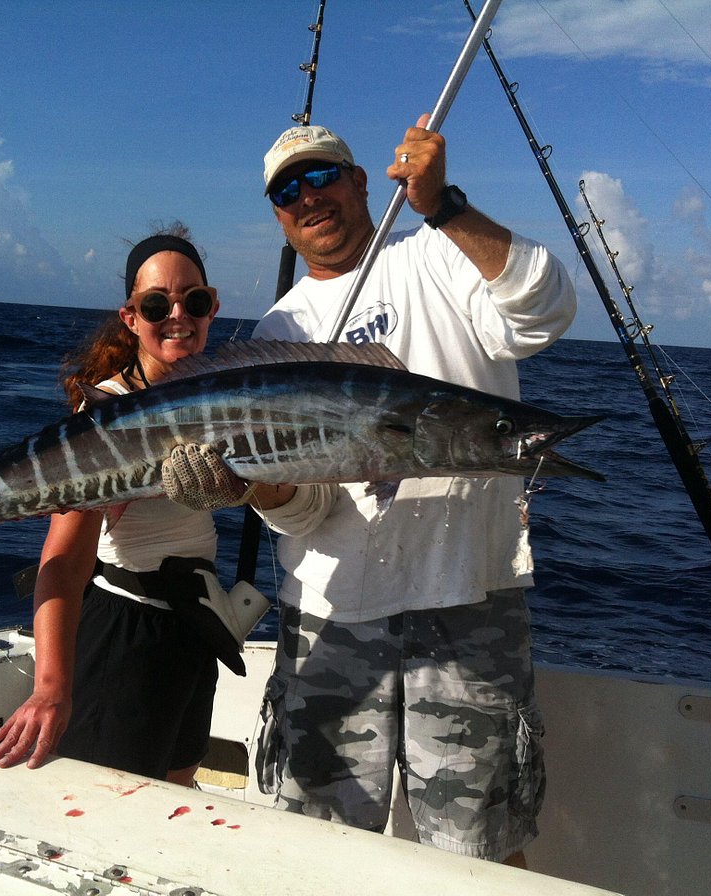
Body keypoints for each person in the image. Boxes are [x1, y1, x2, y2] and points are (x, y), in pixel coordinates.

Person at [164, 119, 576, 864]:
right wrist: (251, 490)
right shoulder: (278, 330)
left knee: (479, 850)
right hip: (328, 614)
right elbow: (310, 509)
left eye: (323, 176)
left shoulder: (437, 258)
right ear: (278, 217)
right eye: (288, 190)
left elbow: (544, 309)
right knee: (316, 847)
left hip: (467, 600)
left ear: (360, 183)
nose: (309, 197)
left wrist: (444, 206)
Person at [0, 224, 225, 787]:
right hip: (124, 636)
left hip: (194, 632)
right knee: (111, 810)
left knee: (177, 788)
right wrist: (51, 688)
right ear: (130, 317)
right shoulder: (107, 418)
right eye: (156, 303)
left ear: (213, 308)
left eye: (194, 300)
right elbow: (65, 560)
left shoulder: (219, 393)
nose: (177, 315)